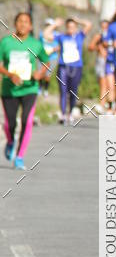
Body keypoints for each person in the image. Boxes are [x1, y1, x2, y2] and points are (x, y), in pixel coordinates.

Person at [0, 12, 52, 169]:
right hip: (10, 89)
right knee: (9, 125)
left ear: (30, 26)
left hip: (30, 88)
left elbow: (46, 62)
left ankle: (20, 156)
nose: (23, 24)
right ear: (15, 24)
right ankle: (10, 141)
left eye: (26, 22)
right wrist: (10, 75)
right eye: (20, 21)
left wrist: (40, 73)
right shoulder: (6, 43)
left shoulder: (35, 44)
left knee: (27, 121)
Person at [55, 16, 92, 124]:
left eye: (73, 27)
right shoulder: (62, 37)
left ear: (76, 28)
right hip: (63, 66)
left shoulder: (79, 36)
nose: (70, 29)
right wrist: (55, 25)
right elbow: (47, 35)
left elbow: (89, 24)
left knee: (73, 91)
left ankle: (70, 113)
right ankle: (62, 114)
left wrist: (78, 20)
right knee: (62, 90)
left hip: (76, 67)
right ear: (66, 28)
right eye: (69, 27)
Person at [89, 19, 113, 112]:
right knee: (103, 84)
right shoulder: (99, 35)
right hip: (102, 61)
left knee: (110, 84)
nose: (104, 28)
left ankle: (109, 103)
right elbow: (90, 47)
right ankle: (102, 104)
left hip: (111, 61)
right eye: (102, 26)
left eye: (106, 26)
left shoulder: (111, 36)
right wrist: (99, 48)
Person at [39, 17, 61, 96]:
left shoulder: (56, 34)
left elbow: (60, 45)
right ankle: (40, 88)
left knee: (47, 75)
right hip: (43, 57)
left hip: (52, 57)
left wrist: (54, 49)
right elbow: (39, 44)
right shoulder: (42, 33)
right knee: (41, 73)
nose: (48, 26)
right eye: (47, 24)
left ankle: (46, 89)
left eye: (49, 24)